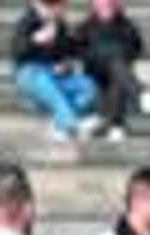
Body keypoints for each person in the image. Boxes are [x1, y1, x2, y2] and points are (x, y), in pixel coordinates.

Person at [75, 0, 150, 142]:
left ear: (117, 4)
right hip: (95, 75)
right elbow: (79, 52)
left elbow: (136, 49)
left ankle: (115, 126)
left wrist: (115, 55)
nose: (106, 6)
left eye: (110, 3)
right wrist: (105, 54)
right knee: (117, 64)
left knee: (118, 74)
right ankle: (138, 98)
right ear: (94, 4)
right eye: (102, 3)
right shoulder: (84, 27)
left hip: (119, 73)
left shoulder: (127, 25)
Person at [12, 0, 100, 141]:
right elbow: (18, 54)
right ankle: (71, 125)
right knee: (47, 84)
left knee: (88, 85)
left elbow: (69, 51)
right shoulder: (26, 23)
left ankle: (60, 125)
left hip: (55, 73)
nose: (54, 10)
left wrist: (66, 64)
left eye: (59, 6)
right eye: (50, 6)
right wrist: (34, 41)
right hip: (30, 73)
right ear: (37, 5)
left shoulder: (61, 25)